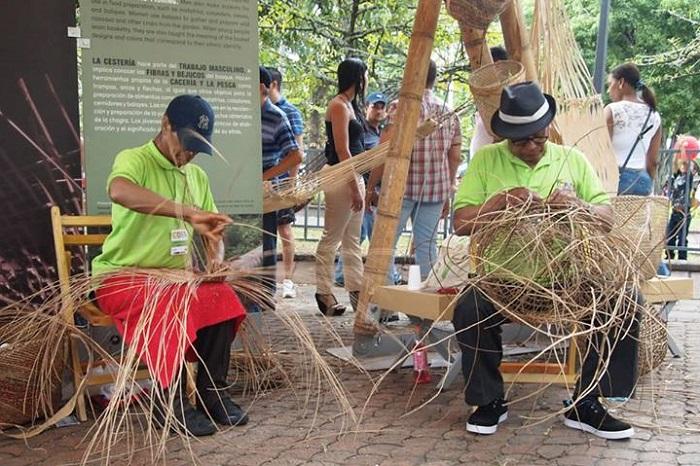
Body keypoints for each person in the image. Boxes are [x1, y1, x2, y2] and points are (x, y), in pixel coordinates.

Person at [452, 82, 639, 439]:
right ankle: (489, 401)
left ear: (549, 129)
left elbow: (607, 218)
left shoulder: (573, 160)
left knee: (625, 301)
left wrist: (579, 207)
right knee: (469, 308)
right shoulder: (486, 160)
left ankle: (589, 402)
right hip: (502, 280)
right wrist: (501, 201)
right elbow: (461, 223)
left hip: (565, 281)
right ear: (506, 137)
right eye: (521, 141)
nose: (531, 148)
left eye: (538, 138)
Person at [92, 95, 248, 437]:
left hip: (174, 278)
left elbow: (212, 232)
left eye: (197, 148)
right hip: (122, 276)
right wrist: (187, 211)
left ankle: (213, 393)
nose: (189, 154)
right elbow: (119, 191)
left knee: (221, 297)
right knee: (169, 299)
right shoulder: (134, 160)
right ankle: (171, 404)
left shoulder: (196, 177)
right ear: (166, 125)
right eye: (186, 143)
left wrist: (215, 262)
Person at [367, 59, 462, 285]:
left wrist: (371, 186)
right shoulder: (448, 111)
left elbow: (384, 150)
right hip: (435, 190)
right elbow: (455, 156)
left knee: (385, 244)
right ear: (434, 79)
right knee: (426, 247)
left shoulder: (400, 108)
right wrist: (448, 190)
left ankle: (385, 303)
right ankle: (423, 308)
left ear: (410, 77)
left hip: (399, 188)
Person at [315, 58, 367, 316]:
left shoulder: (351, 105)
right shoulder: (337, 106)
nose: (366, 80)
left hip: (354, 177)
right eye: (364, 75)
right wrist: (354, 186)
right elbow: (342, 149)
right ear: (357, 78)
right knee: (331, 238)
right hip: (341, 177)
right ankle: (323, 292)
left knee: (352, 241)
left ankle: (358, 293)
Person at [334, 91, 400, 286]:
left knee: (363, 235)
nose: (379, 111)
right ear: (366, 108)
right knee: (373, 236)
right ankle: (389, 276)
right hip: (364, 189)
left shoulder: (383, 132)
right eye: (375, 106)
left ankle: (341, 274)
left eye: (382, 107)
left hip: (378, 192)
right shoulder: (361, 133)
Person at [259, 67, 303, 306]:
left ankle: (265, 294)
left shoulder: (277, 117)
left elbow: (296, 156)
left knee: (266, 240)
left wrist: (265, 175)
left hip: (266, 189)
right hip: (240, 186)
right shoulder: (242, 113)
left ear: (262, 88)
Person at [605, 63, 663, 196]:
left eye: (610, 84)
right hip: (642, 181)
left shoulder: (612, 110)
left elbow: (603, 153)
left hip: (615, 180)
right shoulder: (654, 115)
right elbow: (652, 162)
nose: (609, 90)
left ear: (621, 82)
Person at [470, 46, 508, 155]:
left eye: (485, 67)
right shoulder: (484, 95)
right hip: (482, 157)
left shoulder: (508, 95)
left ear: (499, 65)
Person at [666, 158, 694, 260]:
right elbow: (675, 164)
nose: (682, 166)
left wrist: (684, 153)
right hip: (675, 212)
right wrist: (677, 156)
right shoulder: (675, 177)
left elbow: (686, 163)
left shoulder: (688, 178)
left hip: (684, 213)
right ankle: (669, 256)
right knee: (670, 236)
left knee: (682, 239)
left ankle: (682, 259)